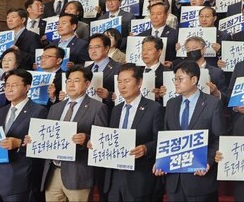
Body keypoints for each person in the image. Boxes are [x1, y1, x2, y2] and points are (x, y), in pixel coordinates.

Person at [33, 66, 109, 201]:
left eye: (76, 81)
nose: (71, 84)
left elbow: (101, 141)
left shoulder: (98, 108)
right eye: (69, 80)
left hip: (78, 174)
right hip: (53, 172)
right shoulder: (55, 108)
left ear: (87, 84)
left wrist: (86, 139)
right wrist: (33, 139)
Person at [96, 63, 164, 202]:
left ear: (139, 83)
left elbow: (161, 141)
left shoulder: (154, 108)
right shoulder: (116, 110)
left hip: (139, 178)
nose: (122, 86)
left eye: (127, 81)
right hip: (114, 178)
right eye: (119, 82)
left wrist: (146, 148)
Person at [158, 61, 224, 202]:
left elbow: (220, 138)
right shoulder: (171, 104)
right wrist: (161, 161)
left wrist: (208, 161)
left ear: (194, 80)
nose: (176, 82)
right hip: (174, 180)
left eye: (180, 79)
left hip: (201, 179)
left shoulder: (212, 104)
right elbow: (166, 135)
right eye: (175, 79)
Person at [0, 69, 48, 202]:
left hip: (19, 181)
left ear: (27, 87)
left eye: (14, 85)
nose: (9, 89)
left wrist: (19, 144)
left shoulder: (39, 111)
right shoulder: (0, 111)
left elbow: (43, 147)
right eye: (7, 85)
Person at [86, 33, 121, 107]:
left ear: (106, 48)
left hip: (109, 111)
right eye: (90, 48)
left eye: (97, 47)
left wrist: (109, 95)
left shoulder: (118, 68)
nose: (93, 51)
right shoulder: (85, 70)